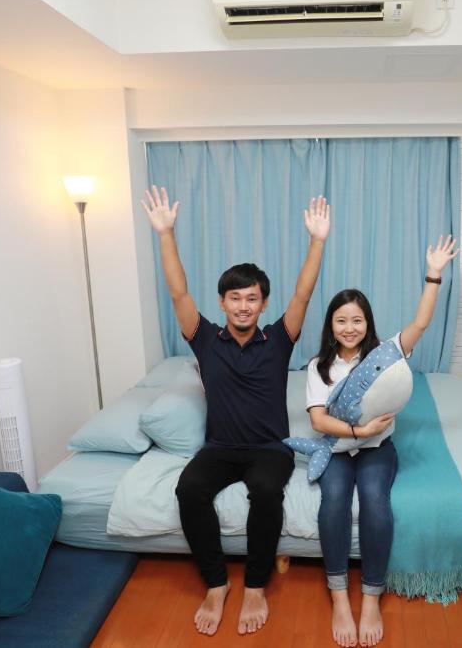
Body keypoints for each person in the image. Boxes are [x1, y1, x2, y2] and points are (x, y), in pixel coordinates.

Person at [140, 185, 331, 636]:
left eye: (251, 299)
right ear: (223, 303)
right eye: (234, 298)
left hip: (270, 448)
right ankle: (216, 582)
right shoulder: (205, 338)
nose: (243, 306)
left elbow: (303, 295)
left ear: (262, 304)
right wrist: (165, 234)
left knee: (266, 492)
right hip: (220, 447)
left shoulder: (278, 339)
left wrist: (317, 241)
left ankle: (256, 585)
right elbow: (177, 291)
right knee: (189, 490)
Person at [305, 235, 459, 647]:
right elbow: (318, 419)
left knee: (375, 500)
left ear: (368, 324)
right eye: (341, 320)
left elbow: (421, 324)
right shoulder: (318, 367)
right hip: (338, 449)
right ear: (330, 325)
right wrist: (359, 431)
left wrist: (434, 274)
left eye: (357, 320)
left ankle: (371, 598)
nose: (349, 328)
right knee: (334, 501)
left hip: (377, 450)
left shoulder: (386, 354)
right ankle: (340, 598)